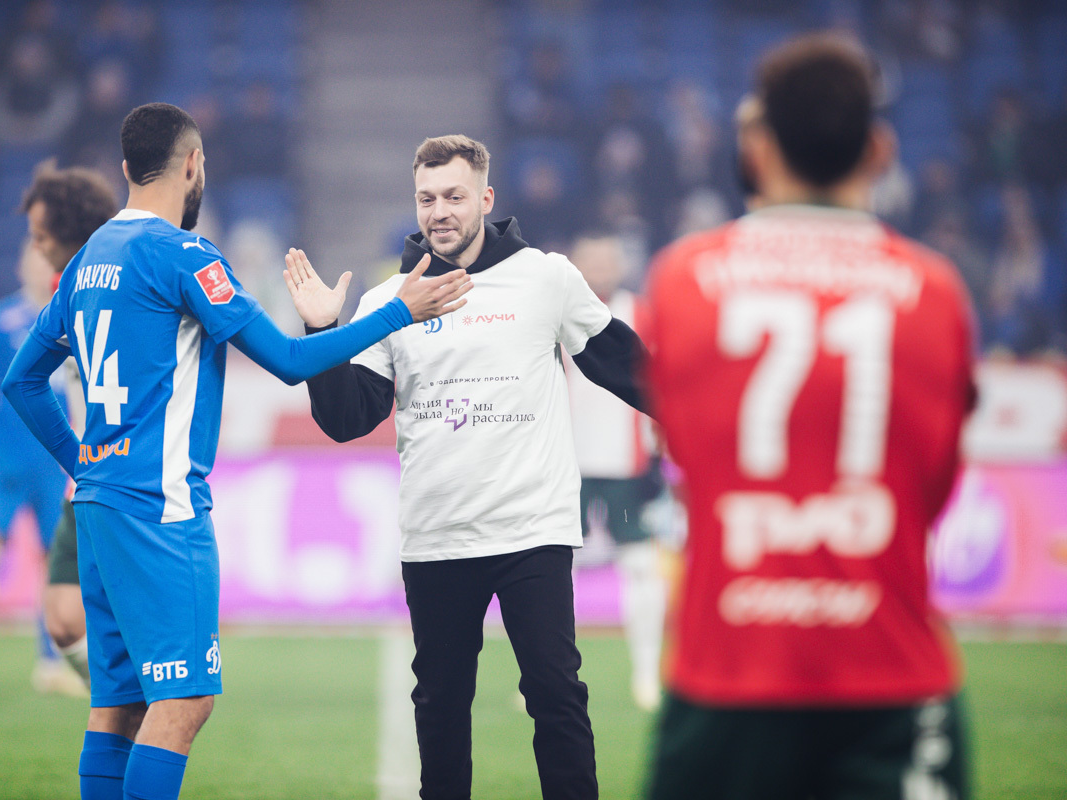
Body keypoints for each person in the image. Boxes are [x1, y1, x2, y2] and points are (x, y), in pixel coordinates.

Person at [2, 102, 469, 800]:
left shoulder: (88, 257)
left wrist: (81, 463)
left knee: (119, 704)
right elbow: (285, 358)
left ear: (128, 168)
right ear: (193, 165)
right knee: (184, 702)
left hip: (99, 506)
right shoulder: (184, 256)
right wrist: (399, 311)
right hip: (160, 509)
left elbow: (23, 380)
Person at [641, 35, 976, 799]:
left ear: (756, 152)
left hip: (727, 676)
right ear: (881, 150)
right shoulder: (936, 291)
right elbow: (933, 489)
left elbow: (685, 455)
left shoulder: (682, 280)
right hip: (891, 684)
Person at [289, 134, 648, 800]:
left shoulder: (546, 278)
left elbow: (629, 367)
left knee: (556, 695)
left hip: (532, 531)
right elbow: (346, 419)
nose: (440, 211)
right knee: (442, 707)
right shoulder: (388, 300)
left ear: (484, 198)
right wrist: (322, 334)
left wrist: (708, 419)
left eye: (454, 196)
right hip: (438, 536)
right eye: (427, 198)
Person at [0, 239, 77, 694]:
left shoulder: (67, 320)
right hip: (5, 464)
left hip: (51, 467)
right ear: (19, 264)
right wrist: (2, 449)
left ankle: (49, 664)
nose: (38, 264)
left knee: (51, 562)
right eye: (32, 256)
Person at [21, 161, 122, 690]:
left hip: (131, 476)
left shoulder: (119, 281)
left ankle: (141, 705)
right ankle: (123, 699)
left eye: (41, 235)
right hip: (84, 477)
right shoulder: (69, 287)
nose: (35, 247)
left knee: (131, 624)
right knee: (61, 618)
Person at [565, 230, 667, 713]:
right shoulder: (555, 308)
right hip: (567, 463)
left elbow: (664, 385)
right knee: (551, 572)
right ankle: (546, 676)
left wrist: (658, 454)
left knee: (642, 568)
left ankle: (647, 672)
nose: (601, 269)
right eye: (592, 260)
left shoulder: (643, 313)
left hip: (628, 465)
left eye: (609, 260)